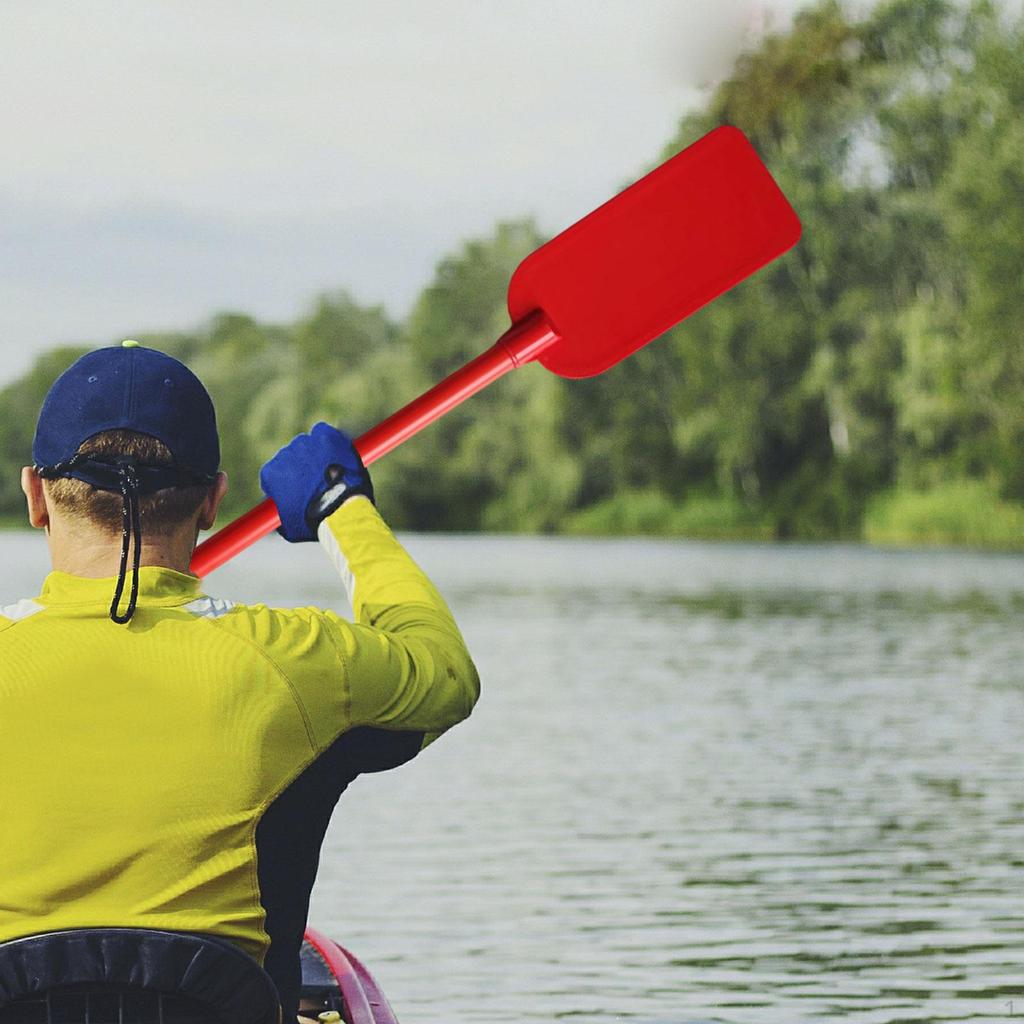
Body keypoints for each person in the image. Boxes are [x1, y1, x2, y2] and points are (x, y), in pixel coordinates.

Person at [0, 341, 480, 1021]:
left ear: (35, 497)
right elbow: (446, 672)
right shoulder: (293, 661)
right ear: (212, 503)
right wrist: (344, 508)